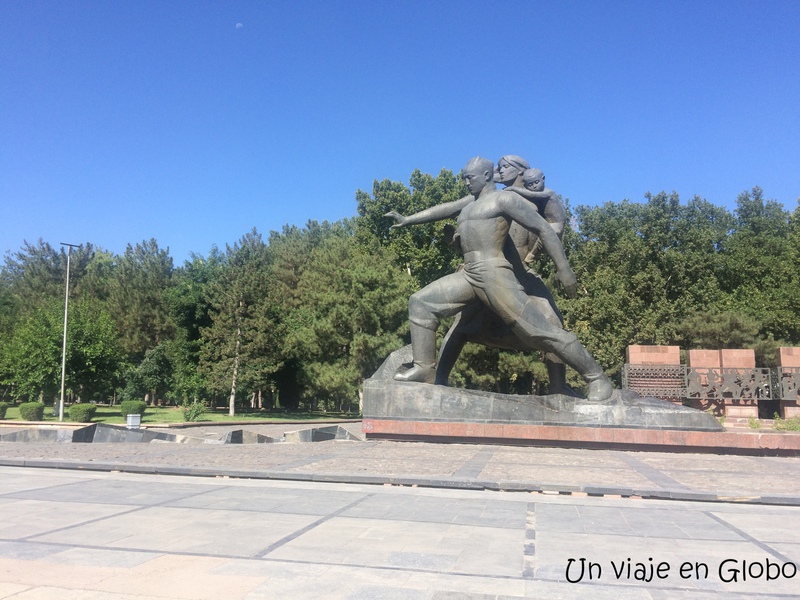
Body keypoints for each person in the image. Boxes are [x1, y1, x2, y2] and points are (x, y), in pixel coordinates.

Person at [385, 157, 613, 402]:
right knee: (420, 303)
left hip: (495, 273)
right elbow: (444, 209)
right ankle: (424, 369)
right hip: (468, 273)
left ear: (486, 176)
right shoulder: (470, 203)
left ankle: (596, 377)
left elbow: (544, 229)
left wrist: (564, 268)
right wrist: (408, 219)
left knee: (541, 332)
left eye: (469, 177)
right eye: (463, 177)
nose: (465, 182)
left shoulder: (505, 199)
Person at [436, 157, 576, 395]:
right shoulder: (490, 200)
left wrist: (563, 268)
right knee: (460, 326)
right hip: (492, 275)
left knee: (553, 323)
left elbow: (552, 228)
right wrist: (457, 244)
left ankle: (558, 386)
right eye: (498, 168)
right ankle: (437, 379)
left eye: (505, 167)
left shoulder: (529, 203)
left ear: (521, 171)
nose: (500, 171)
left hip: (523, 276)